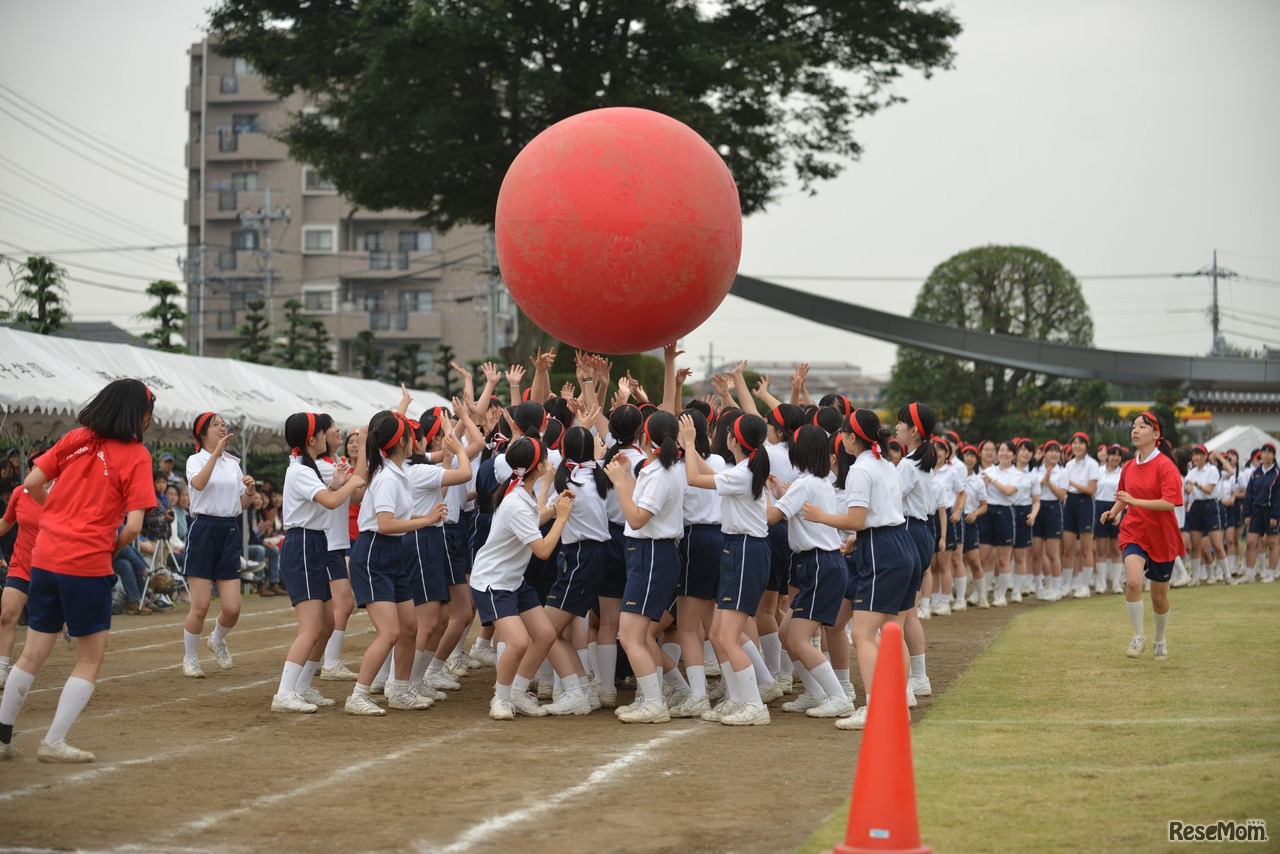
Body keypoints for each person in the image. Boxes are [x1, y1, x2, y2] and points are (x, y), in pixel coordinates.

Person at [0, 378, 157, 763]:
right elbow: (134, 527)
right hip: (85, 563)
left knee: (33, 652)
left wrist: (54, 511)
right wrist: (110, 546)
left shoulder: (77, 437)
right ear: (139, 415)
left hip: (45, 555)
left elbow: (32, 483)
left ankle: (2, 738)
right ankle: (53, 741)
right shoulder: (136, 455)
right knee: (89, 658)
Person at [804, 409, 918, 731]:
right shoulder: (884, 464)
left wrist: (820, 516)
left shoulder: (860, 469)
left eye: (843, 433)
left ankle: (876, 707)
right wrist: (858, 539)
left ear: (852, 437)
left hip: (883, 550)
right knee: (892, 633)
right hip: (898, 544)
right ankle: (897, 703)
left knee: (864, 634)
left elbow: (856, 518)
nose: (840, 439)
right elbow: (880, 516)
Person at [471, 437, 583, 720]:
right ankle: (501, 699)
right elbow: (543, 551)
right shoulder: (516, 501)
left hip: (512, 579)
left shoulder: (521, 491)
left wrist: (555, 507)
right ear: (540, 466)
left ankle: (517, 693)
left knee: (545, 635)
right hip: (493, 582)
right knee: (519, 641)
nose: (551, 464)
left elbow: (534, 520)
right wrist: (561, 518)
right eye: (547, 459)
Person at [343, 411, 441, 716]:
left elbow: (394, 519)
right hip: (374, 554)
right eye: (411, 434)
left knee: (409, 627)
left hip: (391, 552)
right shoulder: (386, 477)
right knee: (389, 631)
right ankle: (358, 695)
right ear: (401, 442)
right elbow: (384, 524)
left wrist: (425, 518)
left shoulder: (396, 472)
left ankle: (399, 691)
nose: (416, 438)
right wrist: (425, 520)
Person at [680, 412, 773, 725]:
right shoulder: (744, 470)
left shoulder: (742, 473)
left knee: (728, 637)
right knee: (719, 633)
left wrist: (690, 444)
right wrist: (693, 449)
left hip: (746, 550)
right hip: (738, 548)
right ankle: (738, 698)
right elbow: (709, 476)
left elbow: (694, 479)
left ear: (735, 441)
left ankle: (754, 705)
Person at [273, 412, 366, 713]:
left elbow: (328, 495)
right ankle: (284, 693)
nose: (329, 434)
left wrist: (340, 481)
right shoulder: (299, 470)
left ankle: (302, 686)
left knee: (326, 623)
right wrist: (350, 483)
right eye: (322, 432)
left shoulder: (309, 467)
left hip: (314, 543)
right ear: (311, 439)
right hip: (302, 544)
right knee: (311, 627)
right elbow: (330, 502)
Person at [603, 411, 686, 724]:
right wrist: (627, 477)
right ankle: (672, 691)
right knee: (637, 635)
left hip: (653, 554)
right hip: (648, 553)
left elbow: (637, 517)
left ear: (644, 437)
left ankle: (654, 703)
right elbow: (643, 500)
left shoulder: (663, 472)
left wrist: (620, 484)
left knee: (631, 636)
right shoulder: (660, 468)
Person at [766, 425, 853, 720]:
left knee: (799, 638)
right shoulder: (817, 481)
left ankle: (839, 697)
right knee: (786, 633)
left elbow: (771, 517)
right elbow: (792, 510)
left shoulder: (806, 484)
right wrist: (779, 493)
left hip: (820, 565)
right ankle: (816, 692)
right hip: (818, 564)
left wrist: (761, 493)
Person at [1099, 412, 1183, 661]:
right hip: (1133, 531)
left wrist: (1135, 501)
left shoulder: (1166, 466)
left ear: (1156, 435)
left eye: (1142, 427)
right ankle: (1138, 636)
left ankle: (1159, 639)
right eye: (1133, 426)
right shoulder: (1128, 466)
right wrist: (1113, 512)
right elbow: (1123, 495)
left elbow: (1169, 503)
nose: (1135, 430)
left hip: (1162, 536)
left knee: (1159, 598)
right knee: (1134, 582)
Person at [181, 412, 256, 678]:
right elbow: (199, 484)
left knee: (233, 608)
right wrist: (216, 454)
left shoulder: (232, 464)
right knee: (200, 606)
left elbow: (242, 506)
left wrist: (249, 491)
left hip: (229, 530)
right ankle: (190, 658)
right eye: (216, 424)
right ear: (202, 433)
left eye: (223, 424)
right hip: (203, 529)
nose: (222, 427)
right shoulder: (195, 459)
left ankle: (217, 639)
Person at [1062, 432, 1101, 598]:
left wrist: (1071, 483)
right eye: (1074, 443)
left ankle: (1084, 586)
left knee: (1086, 549)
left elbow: (1091, 489)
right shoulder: (1069, 465)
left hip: (1085, 503)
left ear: (1086, 446)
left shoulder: (1092, 464)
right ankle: (1066, 584)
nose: (1077, 446)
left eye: (1080, 443)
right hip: (1069, 502)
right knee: (1068, 547)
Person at [1031, 440, 1067, 601]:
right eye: (1050, 451)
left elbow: (1061, 495)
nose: (1054, 454)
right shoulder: (1035, 470)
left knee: (1053, 553)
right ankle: (1039, 586)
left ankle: (1055, 588)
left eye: (1056, 451)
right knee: (1036, 552)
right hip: (1037, 509)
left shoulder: (1063, 472)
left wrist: (1048, 480)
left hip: (1054, 509)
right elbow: (1032, 489)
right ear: (1044, 454)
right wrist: (1042, 479)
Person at [1093, 445, 1124, 593]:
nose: (1116, 458)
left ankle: (1116, 583)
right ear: (1107, 456)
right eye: (1113, 455)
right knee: (1101, 549)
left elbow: (1124, 494)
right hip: (1099, 507)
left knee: (1116, 549)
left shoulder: (1122, 473)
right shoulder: (1098, 471)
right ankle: (1101, 583)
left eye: (1118, 455)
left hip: (1116, 507)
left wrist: (1119, 512)